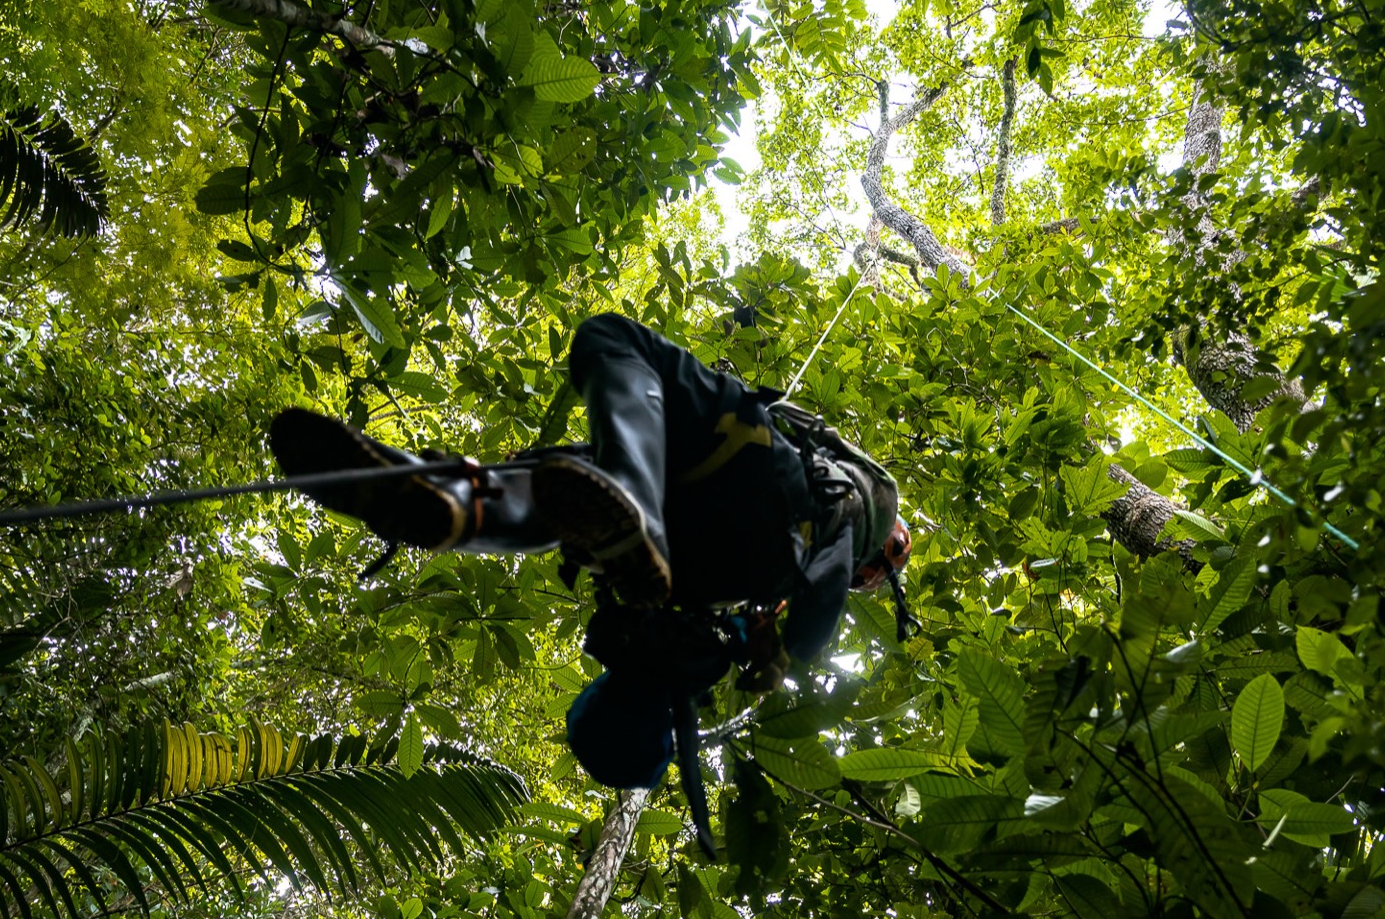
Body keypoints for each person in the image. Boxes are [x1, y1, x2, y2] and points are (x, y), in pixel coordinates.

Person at [268, 314, 912, 829]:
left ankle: (472, 503)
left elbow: (809, 613)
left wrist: (774, 643)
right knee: (583, 502)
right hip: (748, 520)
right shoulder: (684, 636)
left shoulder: (694, 643)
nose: (876, 575)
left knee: (593, 418)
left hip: (729, 491)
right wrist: (779, 645)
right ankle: (474, 507)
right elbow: (813, 615)